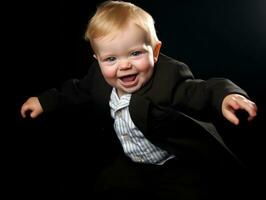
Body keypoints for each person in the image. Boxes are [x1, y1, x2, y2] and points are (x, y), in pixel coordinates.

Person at [20, 1, 259, 199]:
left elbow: (198, 90)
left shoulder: (168, 79)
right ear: (98, 59)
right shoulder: (98, 77)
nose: (124, 65)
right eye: (111, 59)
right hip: (133, 161)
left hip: (173, 162)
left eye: (135, 53)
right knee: (104, 184)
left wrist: (226, 95)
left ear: (154, 51)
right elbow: (77, 90)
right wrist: (44, 101)